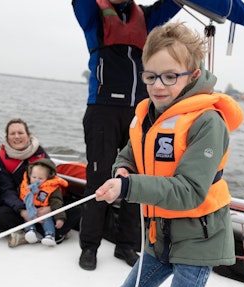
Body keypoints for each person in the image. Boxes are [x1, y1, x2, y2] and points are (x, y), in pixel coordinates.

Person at [87, 22, 244, 287]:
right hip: (160, 236)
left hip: (199, 240)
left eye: (170, 77)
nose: (158, 86)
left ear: (193, 76)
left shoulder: (208, 122)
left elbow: (190, 190)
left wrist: (129, 189)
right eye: (151, 76)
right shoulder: (146, 115)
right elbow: (129, 154)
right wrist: (122, 173)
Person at [72, 0, 182, 271]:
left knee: (136, 179)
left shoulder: (145, 16)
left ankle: (126, 245)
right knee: (99, 178)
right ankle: (89, 246)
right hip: (102, 109)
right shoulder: (93, 14)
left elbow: (174, 4)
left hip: (138, 111)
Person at [0, 118, 79, 247]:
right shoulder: (1, 159)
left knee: (77, 209)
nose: (17, 137)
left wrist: (50, 209)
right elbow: (6, 190)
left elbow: (53, 182)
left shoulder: (40, 153)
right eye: (12, 133)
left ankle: (29, 235)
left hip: (46, 204)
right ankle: (51, 233)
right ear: (7, 137)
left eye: (21, 133)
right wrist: (24, 211)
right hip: (22, 206)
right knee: (0, 217)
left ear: (28, 135)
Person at [18, 159, 68, 246]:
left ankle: (50, 235)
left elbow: (57, 203)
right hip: (30, 210)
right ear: (30, 175)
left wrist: (59, 218)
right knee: (27, 218)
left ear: (48, 178)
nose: (36, 180)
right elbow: (19, 197)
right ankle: (30, 231)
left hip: (45, 211)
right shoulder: (25, 186)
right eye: (34, 177)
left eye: (40, 178)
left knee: (47, 219)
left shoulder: (52, 188)